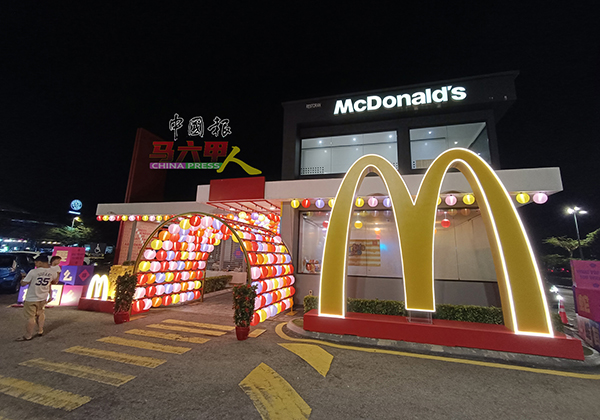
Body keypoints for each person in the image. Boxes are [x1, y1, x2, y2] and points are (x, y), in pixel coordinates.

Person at [17, 255, 59, 341]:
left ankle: (28, 335)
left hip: (31, 298)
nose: (35, 264)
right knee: (40, 313)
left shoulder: (33, 272)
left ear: (40, 262)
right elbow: (54, 282)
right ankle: (40, 330)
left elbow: (23, 283)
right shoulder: (52, 272)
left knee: (30, 317)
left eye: (36, 262)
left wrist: (23, 278)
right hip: (43, 297)